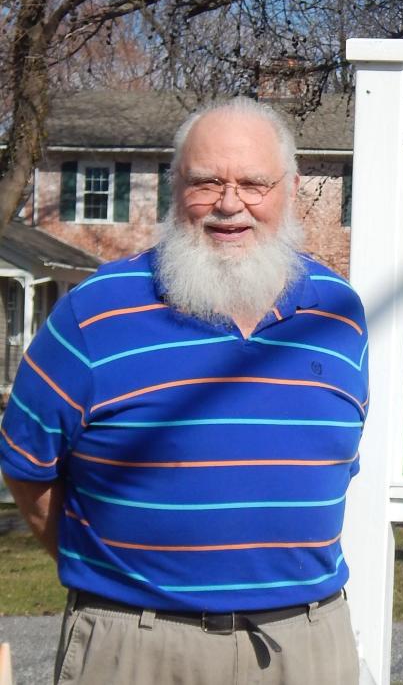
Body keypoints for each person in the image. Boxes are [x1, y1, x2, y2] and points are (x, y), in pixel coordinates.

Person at [0, 97, 367, 685]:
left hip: (306, 647)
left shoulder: (340, 316)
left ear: (290, 190)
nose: (229, 204)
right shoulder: (93, 315)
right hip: (136, 648)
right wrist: (110, 571)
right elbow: (26, 466)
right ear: (176, 188)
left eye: (253, 183)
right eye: (206, 182)